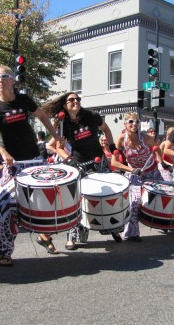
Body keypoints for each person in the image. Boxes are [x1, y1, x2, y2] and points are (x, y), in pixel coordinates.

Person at [0, 65, 60, 266]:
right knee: (5, 207)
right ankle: (3, 250)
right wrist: (2, 151)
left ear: (13, 79)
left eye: (5, 76)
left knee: (46, 202)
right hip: (12, 164)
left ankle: (45, 236)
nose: (1, 80)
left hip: (34, 160)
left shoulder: (24, 100)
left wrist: (55, 135)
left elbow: (41, 116)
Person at [41, 92, 116, 249]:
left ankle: (113, 227)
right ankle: (72, 237)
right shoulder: (64, 124)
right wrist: (70, 160)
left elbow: (106, 130)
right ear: (65, 105)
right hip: (79, 164)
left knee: (109, 194)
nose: (76, 101)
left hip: (99, 161)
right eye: (72, 100)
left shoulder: (91, 116)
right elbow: (59, 148)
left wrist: (112, 146)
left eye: (78, 99)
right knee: (78, 201)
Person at [111, 112, 163, 242]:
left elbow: (157, 149)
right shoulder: (121, 139)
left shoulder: (146, 138)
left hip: (151, 173)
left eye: (137, 122)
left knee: (163, 197)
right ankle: (132, 233)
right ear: (125, 124)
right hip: (134, 174)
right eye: (131, 121)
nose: (134, 124)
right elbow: (114, 162)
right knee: (134, 202)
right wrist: (132, 169)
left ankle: (168, 224)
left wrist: (161, 162)